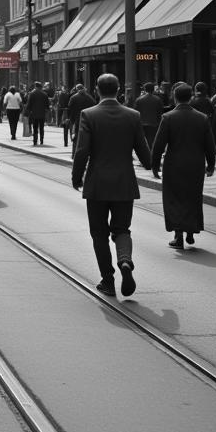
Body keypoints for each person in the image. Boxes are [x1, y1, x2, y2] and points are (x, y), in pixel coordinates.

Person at [71, 73, 151, 298]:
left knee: (99, 233)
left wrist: (77, 177)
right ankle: (125, 260)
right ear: (118, 90)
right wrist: (149, 163)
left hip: (97, 184)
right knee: (122, 229)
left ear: (96, 89)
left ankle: (108, 280)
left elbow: (82, 150)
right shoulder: (133, 115)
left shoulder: (89, 115)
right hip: (124, 183)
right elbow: (143, 150)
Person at [151, 82, 216, 250]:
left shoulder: (168, 117)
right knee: (193, 197)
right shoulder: (202, 118)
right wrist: (211, 165)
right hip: (195, 165)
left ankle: (178, 235)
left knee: (174, 198)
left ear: (175, 96)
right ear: (191, 97)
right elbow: (210, 145)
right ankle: (191, 232)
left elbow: (158, 145)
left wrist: (154, 165)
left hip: (174, 165)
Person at [132, 82, 166, 154]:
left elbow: (136, 112)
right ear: (153, 89)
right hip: (154, 123)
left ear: (144, 89)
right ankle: (152, 154)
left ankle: (146, 154)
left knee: (144, 141)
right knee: (153, 139)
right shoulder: (158, 99)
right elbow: (160, 111)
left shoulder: (139, 99)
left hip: (142, 123)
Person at [66, 82, 96, 154]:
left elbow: (69, 108)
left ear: (77, 89)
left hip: (76, 119)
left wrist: (69, 118)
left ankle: (75, 153)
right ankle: (87, 152)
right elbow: (94, 106)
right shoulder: (89, 97)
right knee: (87, 136)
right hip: (87, 119)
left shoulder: (73, 97)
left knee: (75, 136)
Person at [24, 80, 50, 146]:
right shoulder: (44, 94)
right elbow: (47, 105)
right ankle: (41, 140)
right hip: (42, 113)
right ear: (40, 86)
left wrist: (27, 112)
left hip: (34, 114)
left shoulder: (32, 94)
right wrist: (47, 111)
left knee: (35, 128)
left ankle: (35, 141)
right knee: (41, 127)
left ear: (35, 86)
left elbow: (29, 104)